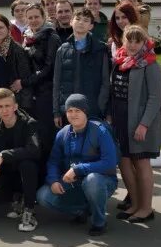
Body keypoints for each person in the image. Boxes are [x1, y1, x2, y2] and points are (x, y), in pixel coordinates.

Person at [37, 93, 118, 236]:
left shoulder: (100, 131)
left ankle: (99, 222)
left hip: (102, 180)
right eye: (69, 111)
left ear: (85, 111)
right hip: (74, 181)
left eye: (77, 111)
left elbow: (110, 162)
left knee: (92, 181)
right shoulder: (62, 133)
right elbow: (53, 161)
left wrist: (78, 169)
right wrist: (54, 180)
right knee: (43, 195)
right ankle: (81, 210)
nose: (73, 114)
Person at [109, 24, 161, 223]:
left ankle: (146, 208)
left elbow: (156, 98)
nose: (132, 45)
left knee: (141, 164)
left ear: (144, 42)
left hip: (140, 122)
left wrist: (144, 124)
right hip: (120, 119)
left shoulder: (150, 64)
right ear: (123, 41)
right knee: (123, 162)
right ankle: (134, 204)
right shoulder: (119, 61)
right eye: (129, 40)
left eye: (137, 41)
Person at [0, 88, 42, 232]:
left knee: (27, 164)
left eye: (8, 106)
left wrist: (4, 154)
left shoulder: (29, 123)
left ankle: (29, 210)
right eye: (0, 106)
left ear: (15, 106)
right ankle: (16, 198)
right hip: (10, 172)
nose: (4, 110)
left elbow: (34, 150)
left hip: (32, 173)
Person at [53, 9, 110, 126]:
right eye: (77, 19)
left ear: (91, 26)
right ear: (71, 22)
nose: (81, 22)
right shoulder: (62, 49)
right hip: (69, 109)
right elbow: (57, 82)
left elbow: (105, 81)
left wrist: (100, 105)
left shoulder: (100, 49)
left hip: (92, 109)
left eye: (85, 20)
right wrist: (56, 111)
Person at [20, 3, 59, 157]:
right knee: (33, 136)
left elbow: (49, 68)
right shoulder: (27, 37)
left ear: (43, 17)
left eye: (37, 17)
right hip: (31, 93)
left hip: (46, 92)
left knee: (46, 135)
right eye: (30, 17)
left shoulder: (51, 37)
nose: (33, 20)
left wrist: (25, 82)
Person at [0, 14, 33, 114]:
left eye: (1, 27)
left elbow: (25, 77)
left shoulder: (17, 49)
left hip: (16, 102)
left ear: (8, 28)